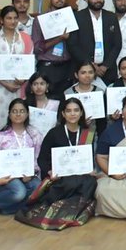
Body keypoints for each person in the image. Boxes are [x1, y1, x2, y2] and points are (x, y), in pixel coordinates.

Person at [26, 97, 97, 229]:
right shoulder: (54, 133)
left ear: (81, 112)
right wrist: (49, 171)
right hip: (60, 176)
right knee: (69, 183)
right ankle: (65, 212)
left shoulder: (88, 133)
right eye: (68, 111)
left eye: (76, 110)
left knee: (90, 182)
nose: (73, 114)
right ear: (63, 114)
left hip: (82, 174)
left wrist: (91, 169)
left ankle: (74, 211)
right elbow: (42, 158)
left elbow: (90, 157)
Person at [0, 4, 33, 137]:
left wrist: (23, 79)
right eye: (8, 18)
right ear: (1, 20)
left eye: (15, 18)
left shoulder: (23, 39)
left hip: (18, 86)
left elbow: (28, 62)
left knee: (18, 118)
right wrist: (5, 83)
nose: (12, 21)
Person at [72, 0, 122, 85]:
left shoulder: (111, 17)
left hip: (107, 71)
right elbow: (73, 45)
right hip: (84, 70)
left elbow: (117, 45)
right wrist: (91, 66)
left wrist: (105, 66)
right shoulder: (77, 17)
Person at [32, 0, 73, 96]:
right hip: (48, 67)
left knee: (66, 104)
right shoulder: (40, 20)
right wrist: (59, 38)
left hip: (68, 67)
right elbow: (37, 49)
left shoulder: (72, 17)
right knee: (48, 104)